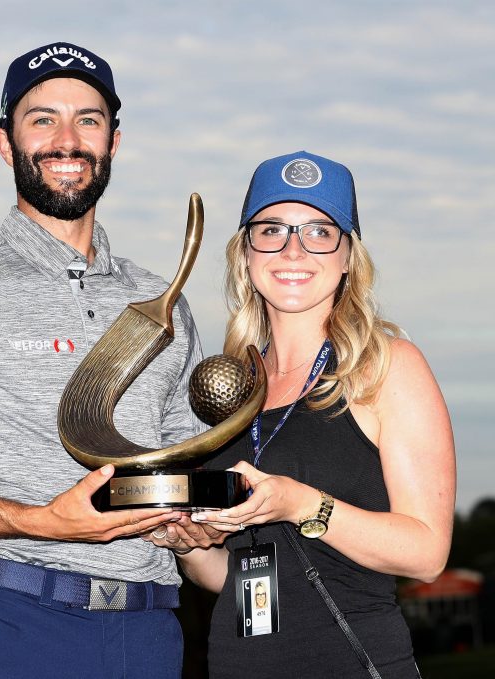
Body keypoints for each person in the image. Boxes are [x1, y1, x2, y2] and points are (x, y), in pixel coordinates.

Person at [0, 41, 206, 679]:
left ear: (114, 142)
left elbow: (175, 477)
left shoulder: (164, 303)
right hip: (10, 621)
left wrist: (193, 523)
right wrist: (41, 523)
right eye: (42, 118)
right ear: (5, 142)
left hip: (151, 630)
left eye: (89, 119)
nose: (67, 139)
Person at [143, 151, 456, 678]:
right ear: (245, 253)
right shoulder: (231, 387)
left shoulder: (386, 366)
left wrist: (300, 502)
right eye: (272, 230)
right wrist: (188, 546)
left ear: (348, 256)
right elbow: (244, 579)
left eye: (318, 231)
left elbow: (426, 553)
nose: (293, 250)